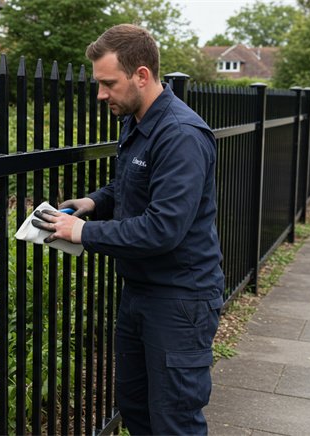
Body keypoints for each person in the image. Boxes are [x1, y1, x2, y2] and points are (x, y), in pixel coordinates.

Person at [31, 24, 224, 435]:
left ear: (141, 75)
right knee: (136, 409)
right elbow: (130, 185)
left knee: (175, 421)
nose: (101, 94)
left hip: (180, 301)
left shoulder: (181, 135)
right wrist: (93, 203)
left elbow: (163, 229)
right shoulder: (138, 120)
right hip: (140, 292)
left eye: (107, 83)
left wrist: (81, 232)